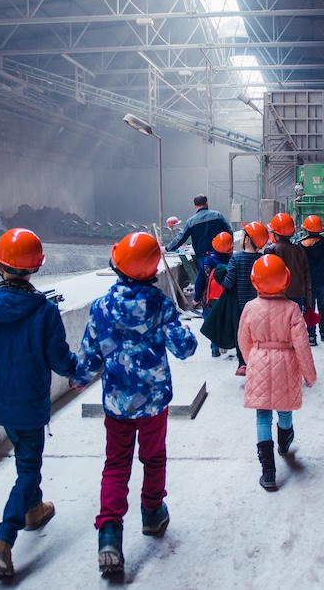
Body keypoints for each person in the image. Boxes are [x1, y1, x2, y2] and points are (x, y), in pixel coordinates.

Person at [71, 232, 198, 576]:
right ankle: (153, 514)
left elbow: (87, 360)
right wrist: (179, 326)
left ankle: (110, 532)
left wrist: (79, 378)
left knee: (116, 463)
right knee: (153, 458)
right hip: (154, 402)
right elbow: (185, 349)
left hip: (116, 402)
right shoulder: (160, 304)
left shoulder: (100, 308)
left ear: (116, 264)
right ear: (151, 270)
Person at [0, 228, 79, 578]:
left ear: (0, 267)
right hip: (31, 405)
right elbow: (60, 360)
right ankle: (4, 540)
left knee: (26, 458)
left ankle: (34, 510)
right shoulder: (43, 311)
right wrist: (79, 372)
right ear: (35, 269)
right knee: (28, 467)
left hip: (4, 408)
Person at [239, 254, 317, 491]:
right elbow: (302, 345)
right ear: (286, 280)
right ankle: (284, 444)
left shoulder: (250, 308)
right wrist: (309, 375)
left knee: (263, 416)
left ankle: (269, 472)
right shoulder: (293, 309)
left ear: (255, 282)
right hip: (286, 362)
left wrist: (252, 359)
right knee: (284, 410)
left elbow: (244, 340)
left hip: (260, 359)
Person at [222, 221, 270, 376]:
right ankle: (258, 362)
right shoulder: (264, 259)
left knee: (242, 334)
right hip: (260, 305)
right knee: (258, 335)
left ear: (247, 240)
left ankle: (243, 363)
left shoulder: (236, 259)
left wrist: (219, 278)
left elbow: (229, 283)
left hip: (241, 305)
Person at [165, 194, 231, 271]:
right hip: (220, 254)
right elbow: (229, 232)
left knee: (206, 279)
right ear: (206, 203)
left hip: (202, 257)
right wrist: (229, 249)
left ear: (195, 206)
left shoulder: (191, 221)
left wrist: (167, 248)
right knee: (222, 278)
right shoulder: (217, 216)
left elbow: (180, 238)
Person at [300, 215, 324, 345]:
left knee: (310, 308)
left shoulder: (301, 246)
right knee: (322, 307)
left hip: (308, 283)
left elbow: (299, 265)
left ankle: (311, 336)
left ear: (306, 230)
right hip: (322, 281)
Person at [263, 213, 311, 317]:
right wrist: (309, 304)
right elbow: (306, 278)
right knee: (294, 327)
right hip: (297, 295)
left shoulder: (270, 250)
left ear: (275, 234)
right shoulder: (299, 250)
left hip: (276, 297)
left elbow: (266, 278)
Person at [195, 231, 233, 357]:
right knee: (224, 321)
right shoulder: (231, 262)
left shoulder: (208, 260)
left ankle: (214, 348)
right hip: (226, 298)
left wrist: (196, 298)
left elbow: (200, 281)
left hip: (209, 299)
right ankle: (224, 342)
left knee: (210, 320)